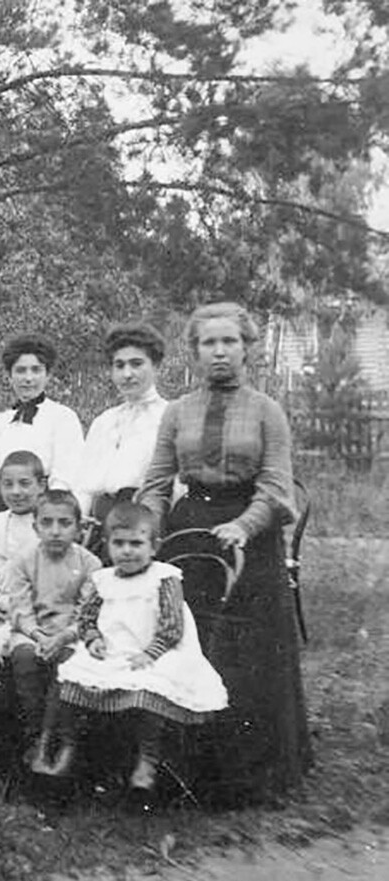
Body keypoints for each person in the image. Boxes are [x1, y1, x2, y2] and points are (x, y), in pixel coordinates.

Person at [137, 301, 310, 806]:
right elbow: (155, 482)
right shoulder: (176, 412)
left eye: (229, 341)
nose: (219, 352)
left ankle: (249, 775)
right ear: (194, 351)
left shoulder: (267, 411)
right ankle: (185, 766)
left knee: (246, 658)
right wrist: (149, 525)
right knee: (189, 645)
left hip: (250, 544)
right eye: (208, 343)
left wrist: (243, 525)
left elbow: (279, 490)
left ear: (246, 349)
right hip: (190, 536)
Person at [43, 503, 228, 793]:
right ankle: (68, 748)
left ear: (154, 547)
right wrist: (94, 639)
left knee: (146, 689)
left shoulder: (163, 578)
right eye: (119, 544)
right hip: (113, 651)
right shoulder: (104, 580)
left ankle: (148, 759)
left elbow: (172, 625)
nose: (127, 551)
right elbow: (86, 618)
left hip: (159, 650)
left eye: (136, 544)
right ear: (108, 546)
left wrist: (150, 653)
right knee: (68, 678)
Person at [1, 490, 102, 766]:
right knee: (24, 658)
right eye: (47, 523)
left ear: (79, 528)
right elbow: (20, 607)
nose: (55, 531)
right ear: (35, 527)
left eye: (64, 523)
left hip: (71, 634)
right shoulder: (23, 561)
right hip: (31, 631)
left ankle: (58, 738)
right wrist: (37, 635)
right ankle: (35, 734)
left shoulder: (90, 564)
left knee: (68, 664)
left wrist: (63, 636)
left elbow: (87, 610)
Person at [76, 323, 170, 550]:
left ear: (156, 366)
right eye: (119, 366)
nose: (127, 374)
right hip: (100, 527)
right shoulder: (104, 421)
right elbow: (84, 484)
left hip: (144, 525)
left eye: (137, 364)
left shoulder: (169, 417)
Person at [0, 333, 85, 516]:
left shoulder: (63, 418)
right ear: (10, 376)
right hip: (4, 511)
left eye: (36, 370)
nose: (28, 378)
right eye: (21, 370)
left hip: (45, 510)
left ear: (47, 375)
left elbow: (66, 476)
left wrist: (52, 516)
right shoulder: (1, 422)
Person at [0, 450, 48, 605]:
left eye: (24, 484)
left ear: (41, 485)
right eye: (8, 484)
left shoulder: (49, 525)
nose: (16, 492)